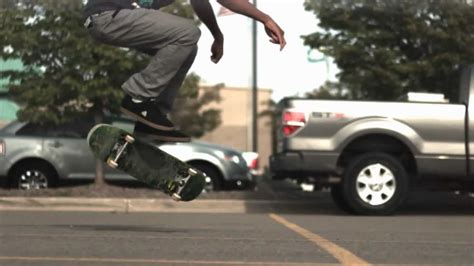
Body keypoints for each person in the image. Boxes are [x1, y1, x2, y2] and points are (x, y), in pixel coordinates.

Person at [83, 0, 286, 142]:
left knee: (187, 46)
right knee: (187, 33)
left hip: (112, 20)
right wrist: (265, 18)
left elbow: (199, 2)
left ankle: (152, 118)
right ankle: (138, 98)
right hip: (109, 15)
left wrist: (218, 36)